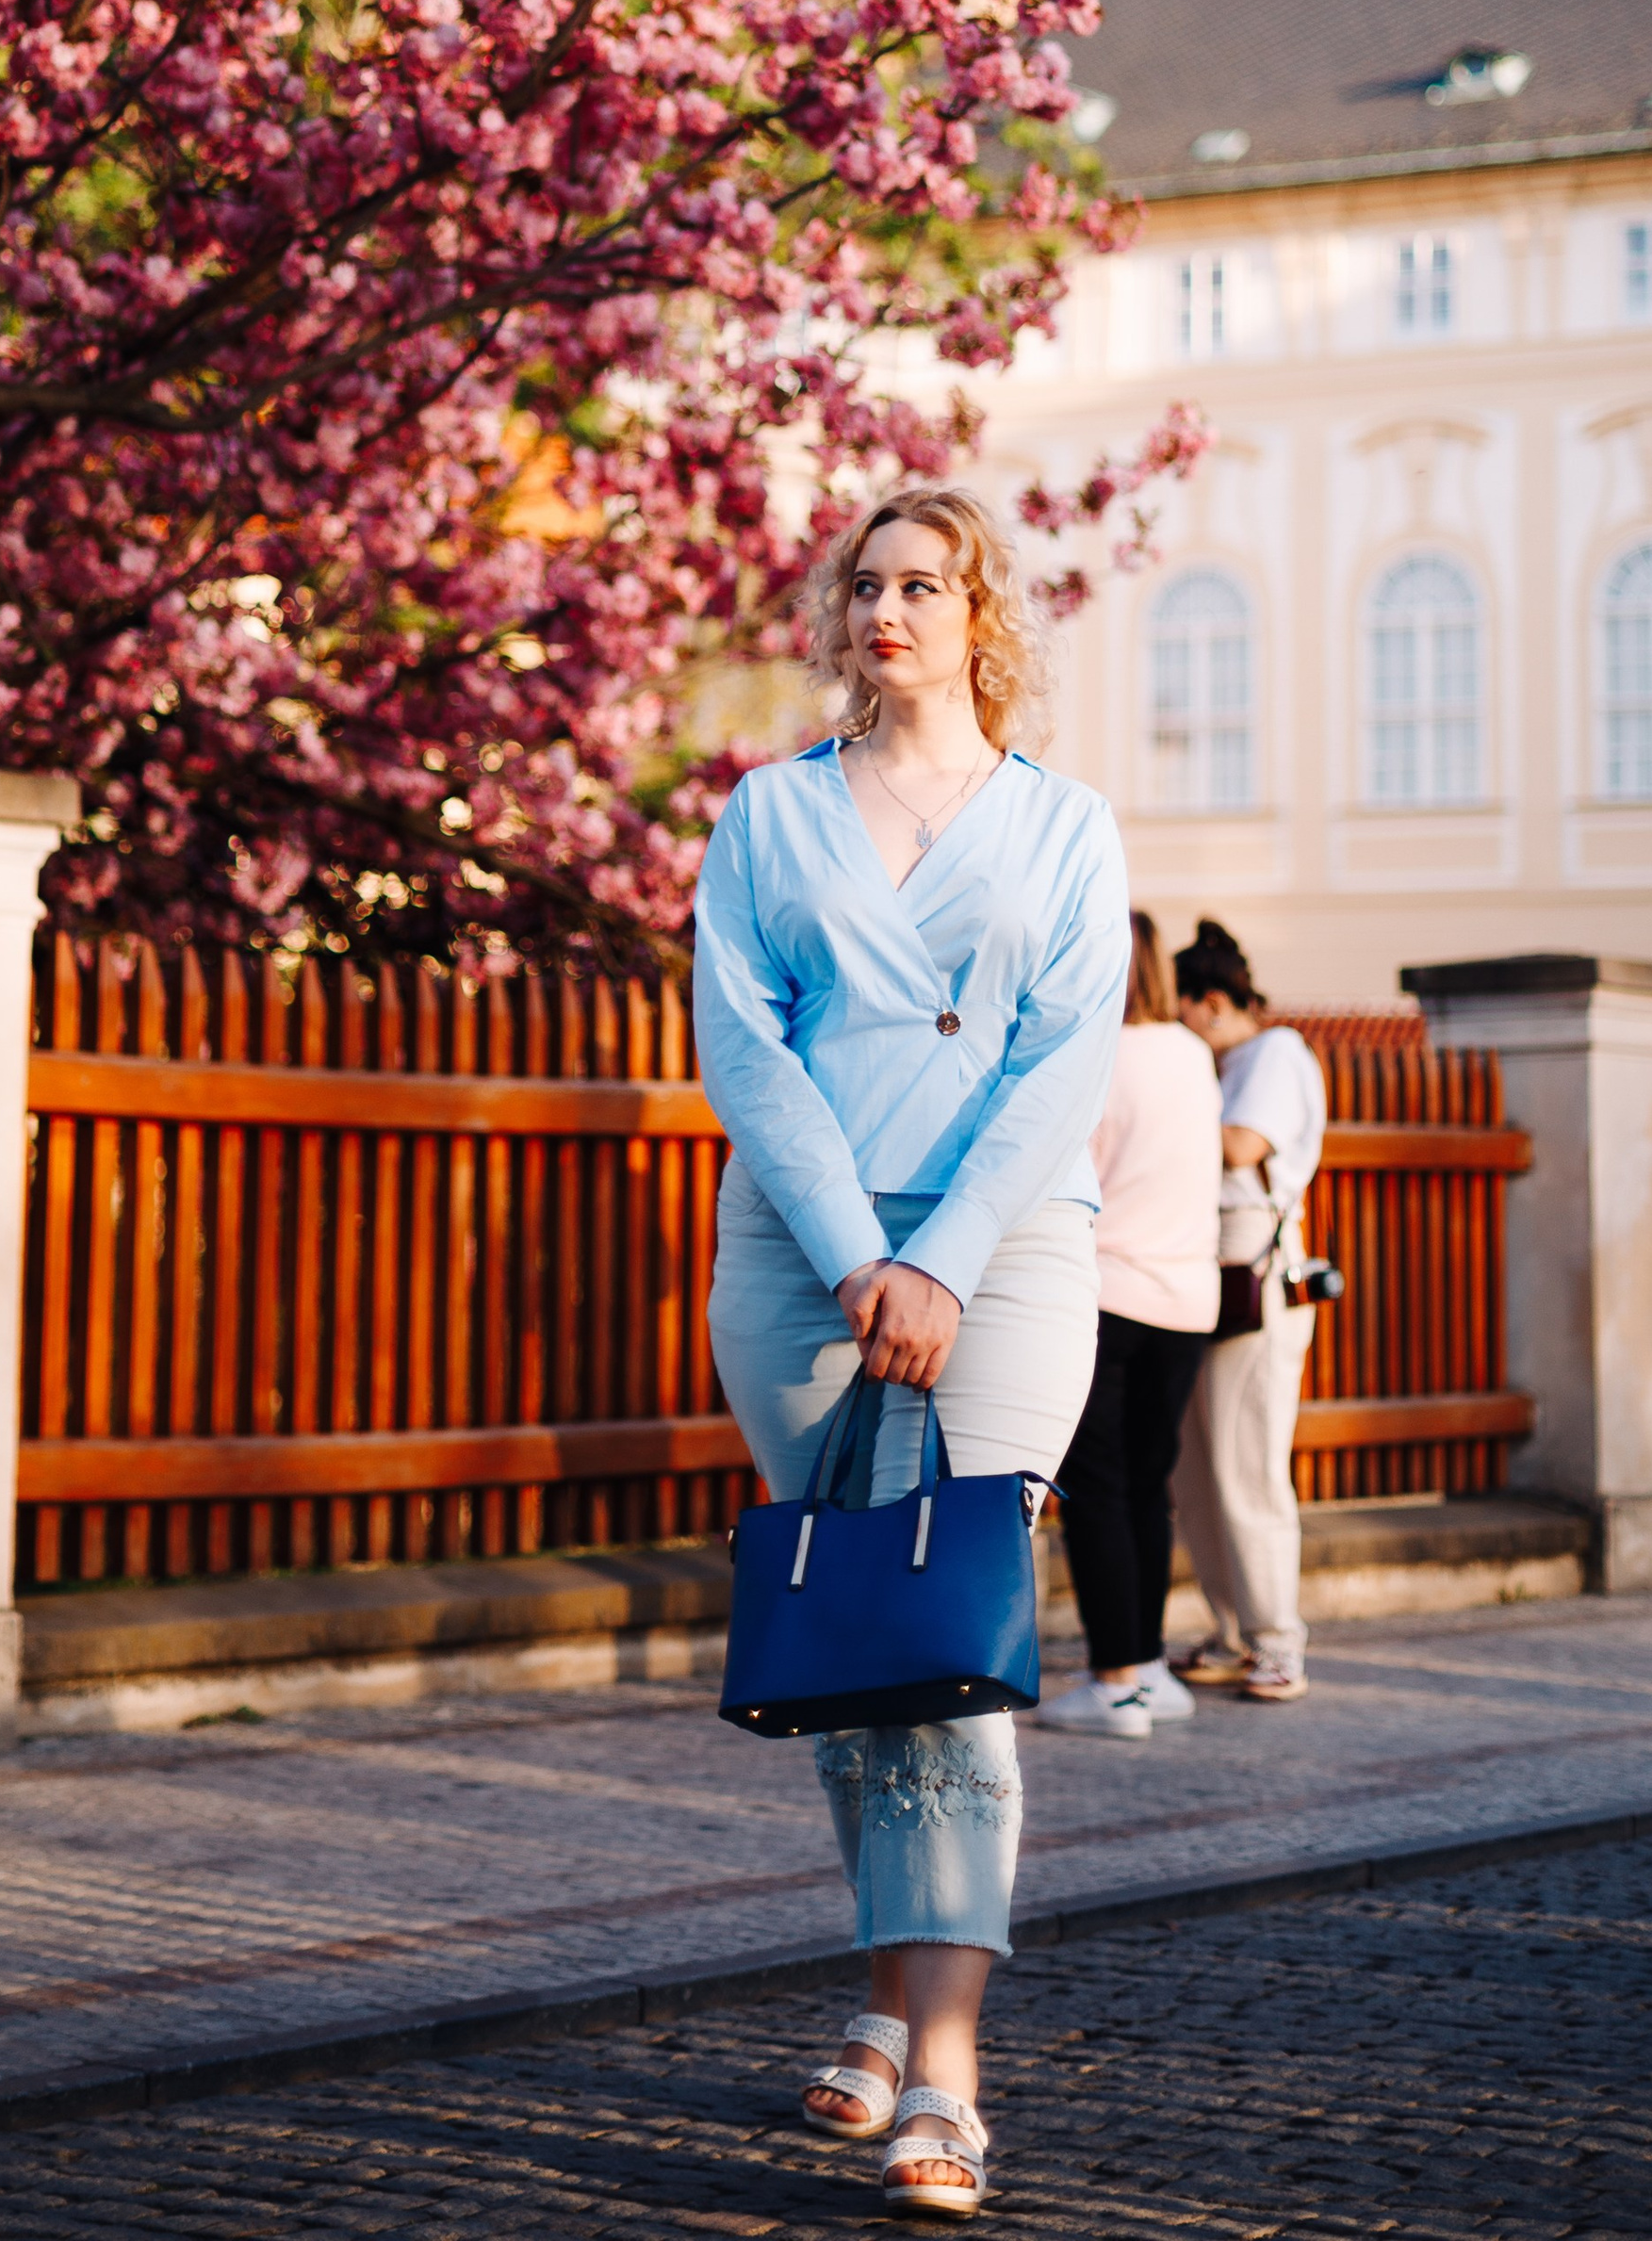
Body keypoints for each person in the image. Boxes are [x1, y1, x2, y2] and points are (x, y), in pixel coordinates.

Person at [695, 483, 1129, 2220]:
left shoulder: (1067, 827)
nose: (887, 610)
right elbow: (747, 1045)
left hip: (1007, 1258)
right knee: (849, 1645)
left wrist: (938, 1259)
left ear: (981, 616)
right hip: (803, 1261)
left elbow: (1062, 1065)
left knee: (953, 1644)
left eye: (923, 585)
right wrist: (861, 1253)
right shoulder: (769, 814)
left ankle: (944, 2074)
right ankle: (886, 2004)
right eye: (865, 583)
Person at [1041, 909, 1222, 1738]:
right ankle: (1145, 1666)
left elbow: (1070, 1170)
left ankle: (1114, 1680)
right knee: (1149, 1487)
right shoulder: (1192, 1051)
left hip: (1109, 1289)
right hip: (1189, 1299)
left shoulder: (1096, 1053)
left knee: (1098, 1489)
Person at [1167, 919, 1328, 1704]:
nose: (1178, 1023)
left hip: (1256, 1276)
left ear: (1211, 1002)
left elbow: (1239, 1146)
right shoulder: (1227, 1060)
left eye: (1183, 1009)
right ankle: (1232, 1630)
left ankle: (1278, 1641)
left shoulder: (1277, 1052)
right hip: (1205, 1272)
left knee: (1248, 1465)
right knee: (1196, 1469)